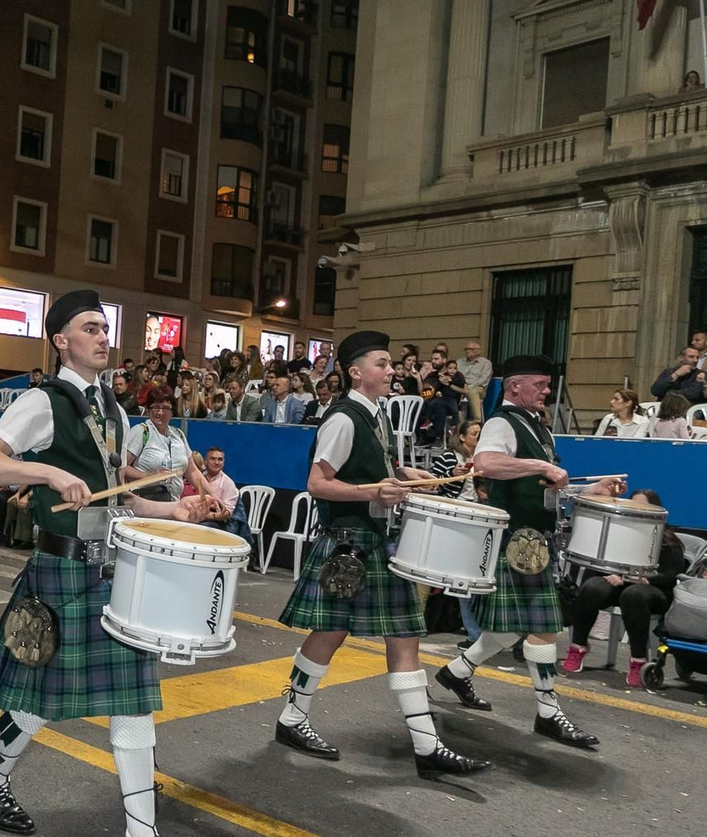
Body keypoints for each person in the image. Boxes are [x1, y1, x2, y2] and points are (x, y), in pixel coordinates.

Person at [0, 292, 224, 837]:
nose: (103, 337)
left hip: (110, 571)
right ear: (60, 341)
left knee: (131, 701)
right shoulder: (42, 403)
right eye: (89, 328)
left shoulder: (115, 410)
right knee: (36, 701)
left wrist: (177, 508)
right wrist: (47, 472)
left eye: (106, 328)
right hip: (61, 571)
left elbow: (117, 499)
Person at [269, 330, 489, 776]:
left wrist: (410, 475)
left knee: (404, 635)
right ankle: (293, 718)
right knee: (330, 634)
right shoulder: (344, 418)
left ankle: (426, 746)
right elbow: (318, 482)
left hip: (373, 538)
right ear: (355, 372)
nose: (392, 371)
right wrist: (374, 489)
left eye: (391, 365)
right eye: (383, 364)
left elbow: (374, 470)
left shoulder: (375, 416)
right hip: (348, 542)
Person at [435, 354, 619, 751]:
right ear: (516, 386)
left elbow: (546, 488)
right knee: (544, 626)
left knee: (512, 625)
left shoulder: (540, 429)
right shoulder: (503, 421)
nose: (548, 391)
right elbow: (486, 463)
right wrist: (540, 464)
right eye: (541, 384)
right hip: (519, 539)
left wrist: (590, 491)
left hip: (535, 538)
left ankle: (457, 671)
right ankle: (549, 713)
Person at [562, 490, 686, 686]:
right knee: (592, 587)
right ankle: (578, 647)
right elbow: (602, 567)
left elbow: (671, 575)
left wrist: (640, 579)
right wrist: (613, 575)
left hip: (652, 591)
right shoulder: (618, 533)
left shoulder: (669, 542)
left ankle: (638, 660)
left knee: (633, 594)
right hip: (619, 584)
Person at [123, 385, 205, 502]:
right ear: (148, 409)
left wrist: (211, 495)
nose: (160, 412)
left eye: (166, 408)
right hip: (146, 502)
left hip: (173, 503)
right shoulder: (141, 431)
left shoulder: (179, 434)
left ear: (172, 411)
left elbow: (192, 472)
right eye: (155, 407)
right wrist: (150, 476)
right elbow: (122, 467)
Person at [240, 364, 306, 424]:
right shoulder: (270, 403)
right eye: (274, 385)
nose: (274, 387)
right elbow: (266, 423)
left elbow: (297, 425)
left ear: (286, 388)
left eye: (277, 385)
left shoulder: (297, 404)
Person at [455, 340, 491, 421]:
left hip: (478, 388)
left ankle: (477, 421)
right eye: (466, 349)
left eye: (470, 349)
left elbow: (484, 380)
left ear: (477, 351)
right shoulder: (459, 362)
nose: (467, 351)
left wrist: (469, 387)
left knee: (472, 392)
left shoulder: (485, 363)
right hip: (460, 388)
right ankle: (459, 425)